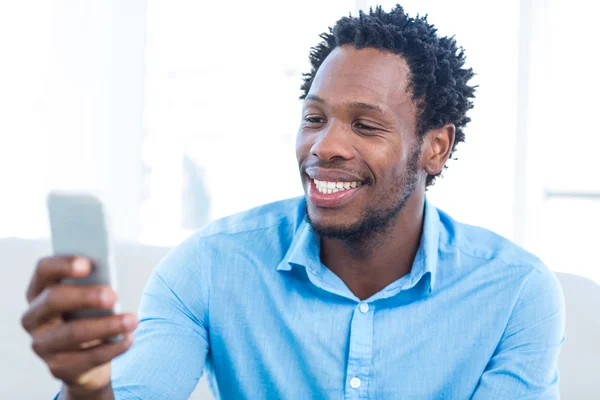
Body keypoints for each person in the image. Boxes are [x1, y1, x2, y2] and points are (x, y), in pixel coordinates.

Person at [22, 5, 565, 399]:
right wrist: (87, 386)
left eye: (366, 125)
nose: (324, 146)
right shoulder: (211, 267)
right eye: (314, 118)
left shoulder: (515, 294)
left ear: (436, 148)